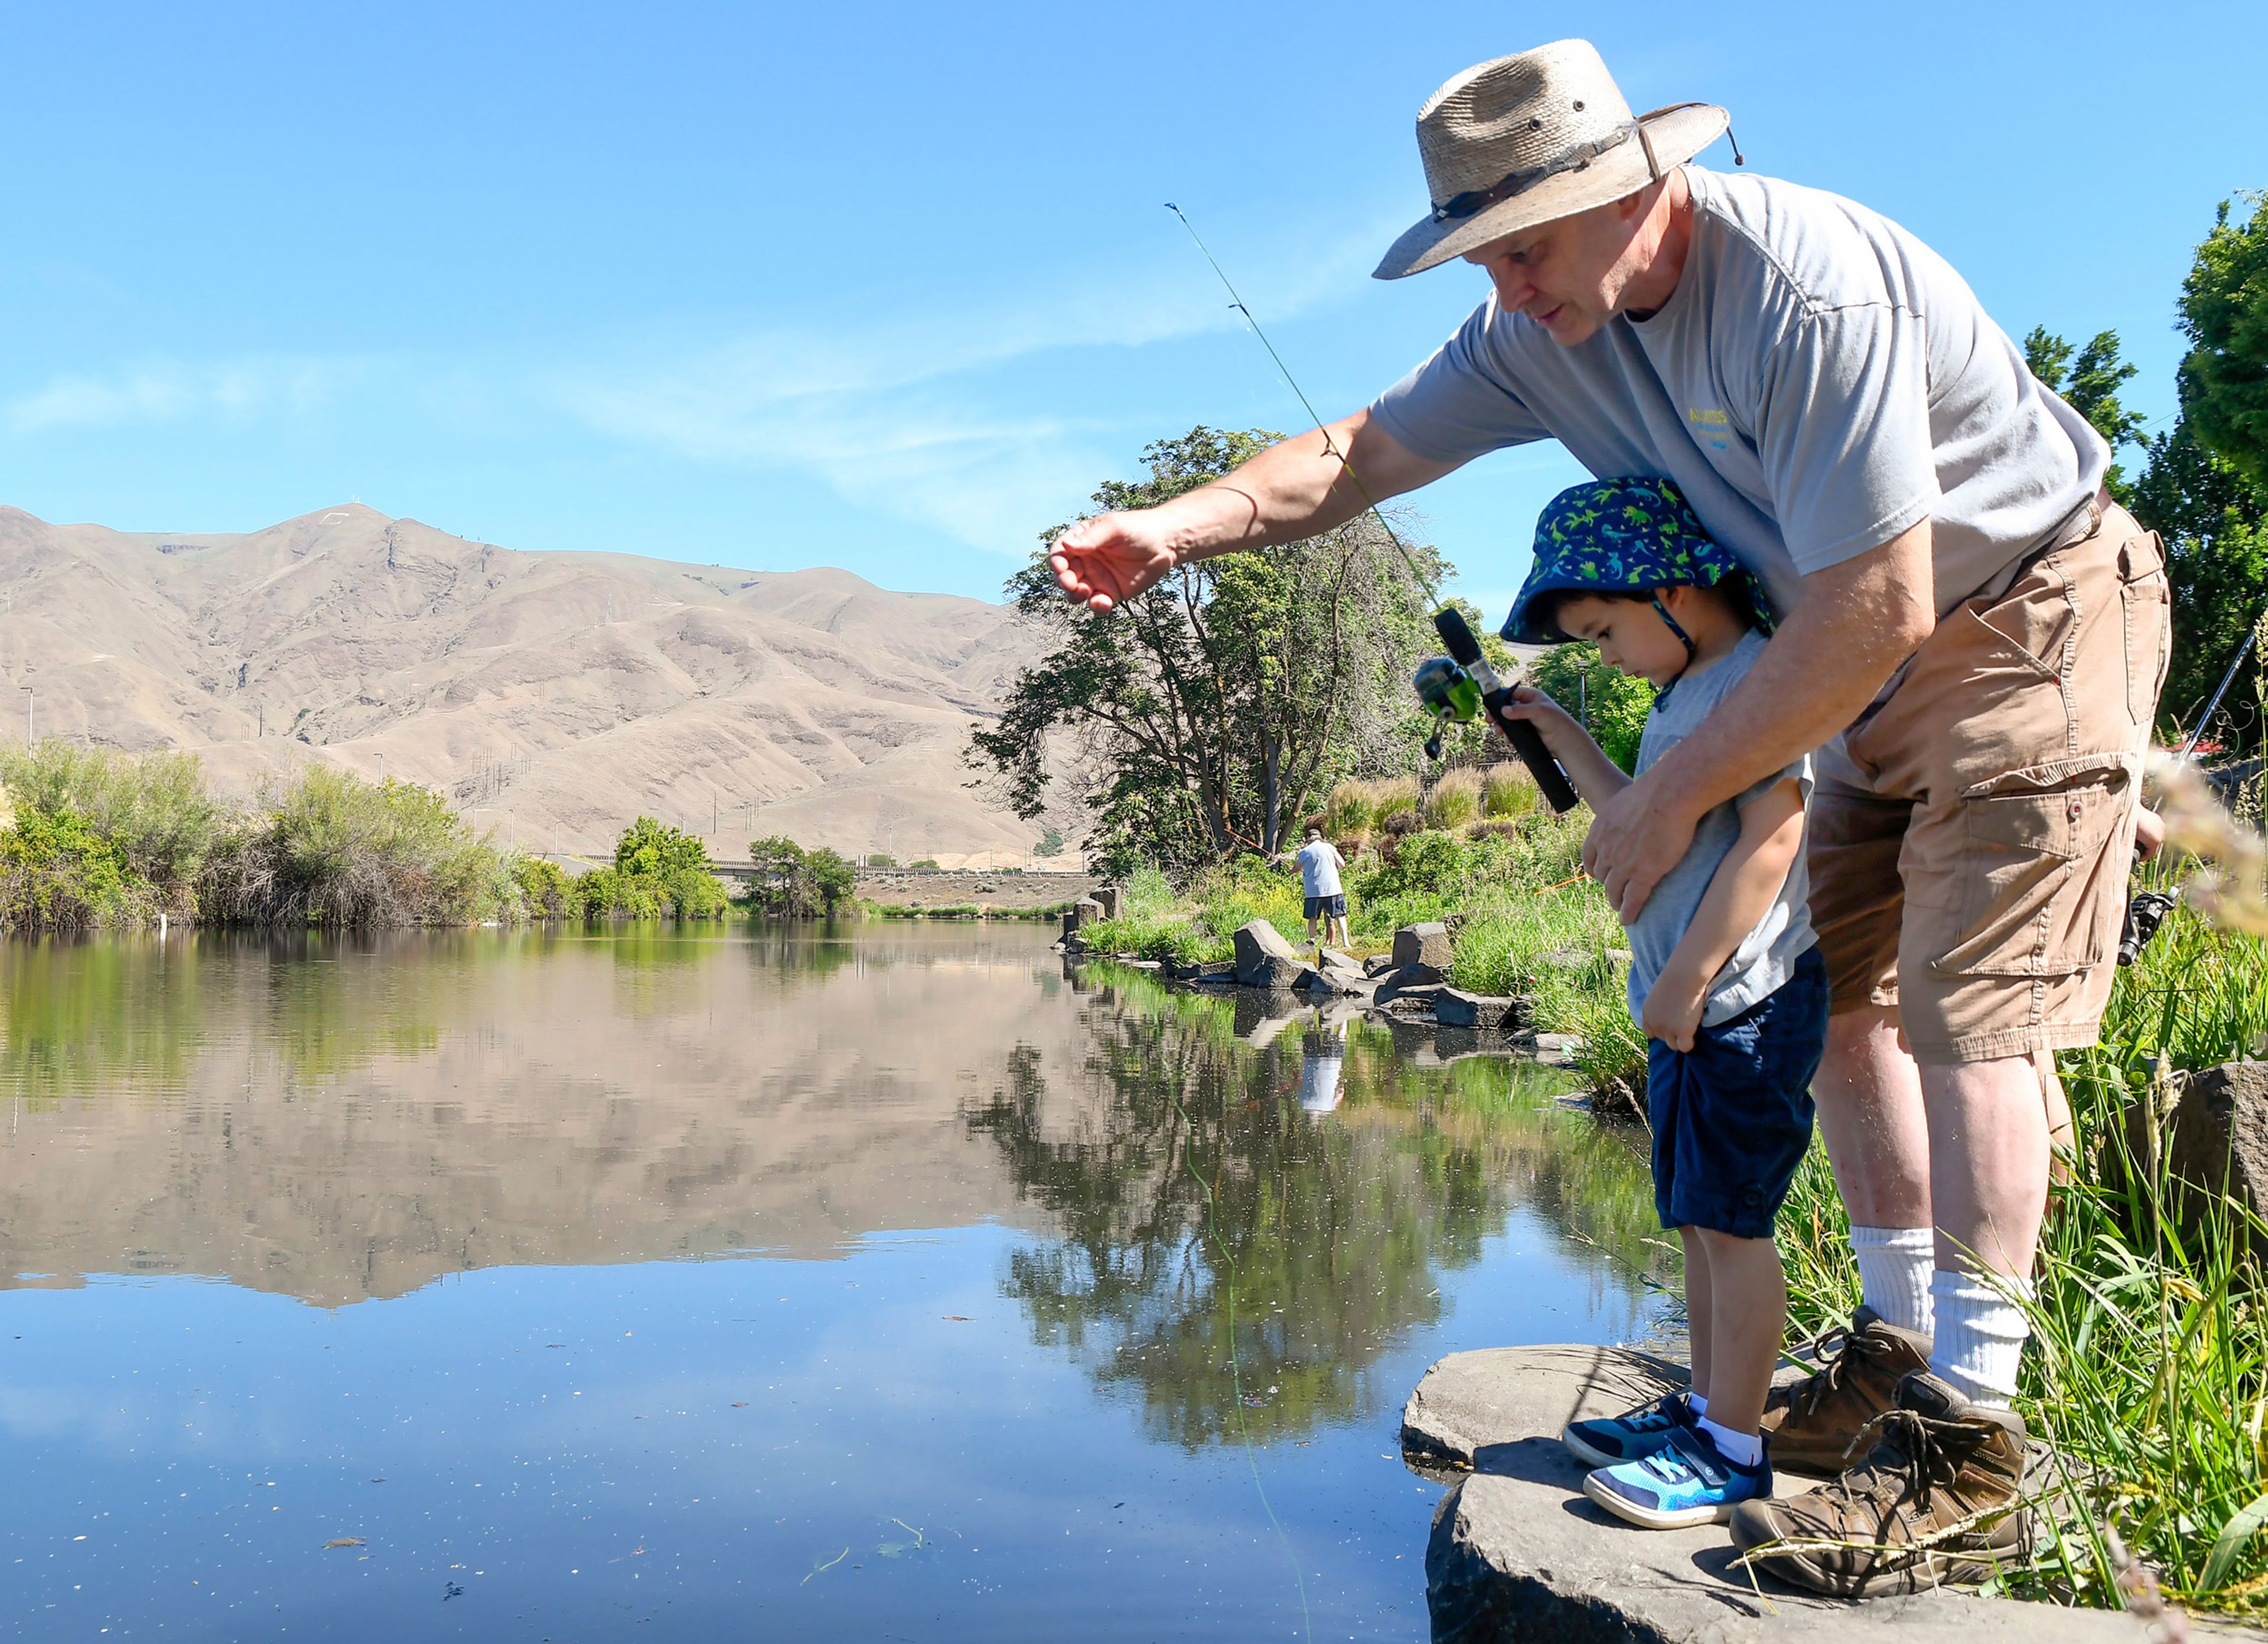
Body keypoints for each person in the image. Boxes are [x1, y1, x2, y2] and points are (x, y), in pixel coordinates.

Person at [1048, 39, 2168, 1591]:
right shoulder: (1533, 332)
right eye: (1482, 255)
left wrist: (1665, 805)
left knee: (1973, 1017)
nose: (1506, 289)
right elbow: (1356, 450)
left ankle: (1973, 1443)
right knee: (1842, 1004)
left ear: (1637, 185)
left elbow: (1883, 594)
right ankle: (1896, 1354)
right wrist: (1171, 530)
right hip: (1825, 654)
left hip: (2018, 613)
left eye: (1525, 247)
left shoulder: (1805, 286)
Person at [1497, 477, 1824, 1527]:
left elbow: (1776, 837)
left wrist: (1690, 978)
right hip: (1688, 1004)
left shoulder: (1757, 682)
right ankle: (1701, 1408)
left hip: (1744, 1000)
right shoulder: (1681, 697)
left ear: (1674, 594)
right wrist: (1554, 727)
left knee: (1735, 1224)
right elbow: (1636, 813)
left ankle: (1736, 1447)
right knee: (1694, 1219)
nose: (1604, 656)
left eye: (1602, 631)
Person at [1295, 825, 1349, 951]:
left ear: (1308, 839)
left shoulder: (1305, 851)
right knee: (1340, 916)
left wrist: (1292, 871)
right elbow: (1342, 864)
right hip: (1333, 889)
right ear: (1320, 838)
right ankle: (1346, 943)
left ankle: (1312, 941)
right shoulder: (1330, 847)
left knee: (1313, 918)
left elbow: (1296, 868)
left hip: (1314, 891)